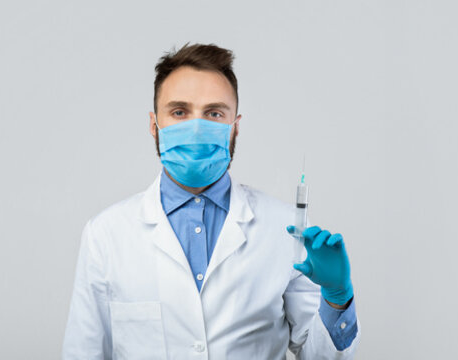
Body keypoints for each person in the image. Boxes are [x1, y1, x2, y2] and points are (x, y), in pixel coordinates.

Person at [62, 43, 358, 359]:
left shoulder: (286, 229)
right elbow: (83, 353)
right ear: (153, 124)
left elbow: (319, 356)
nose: (196, 129)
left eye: (214, 113)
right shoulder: (105, 235)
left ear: (235, 127)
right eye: (179, 112)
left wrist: (336, 299)